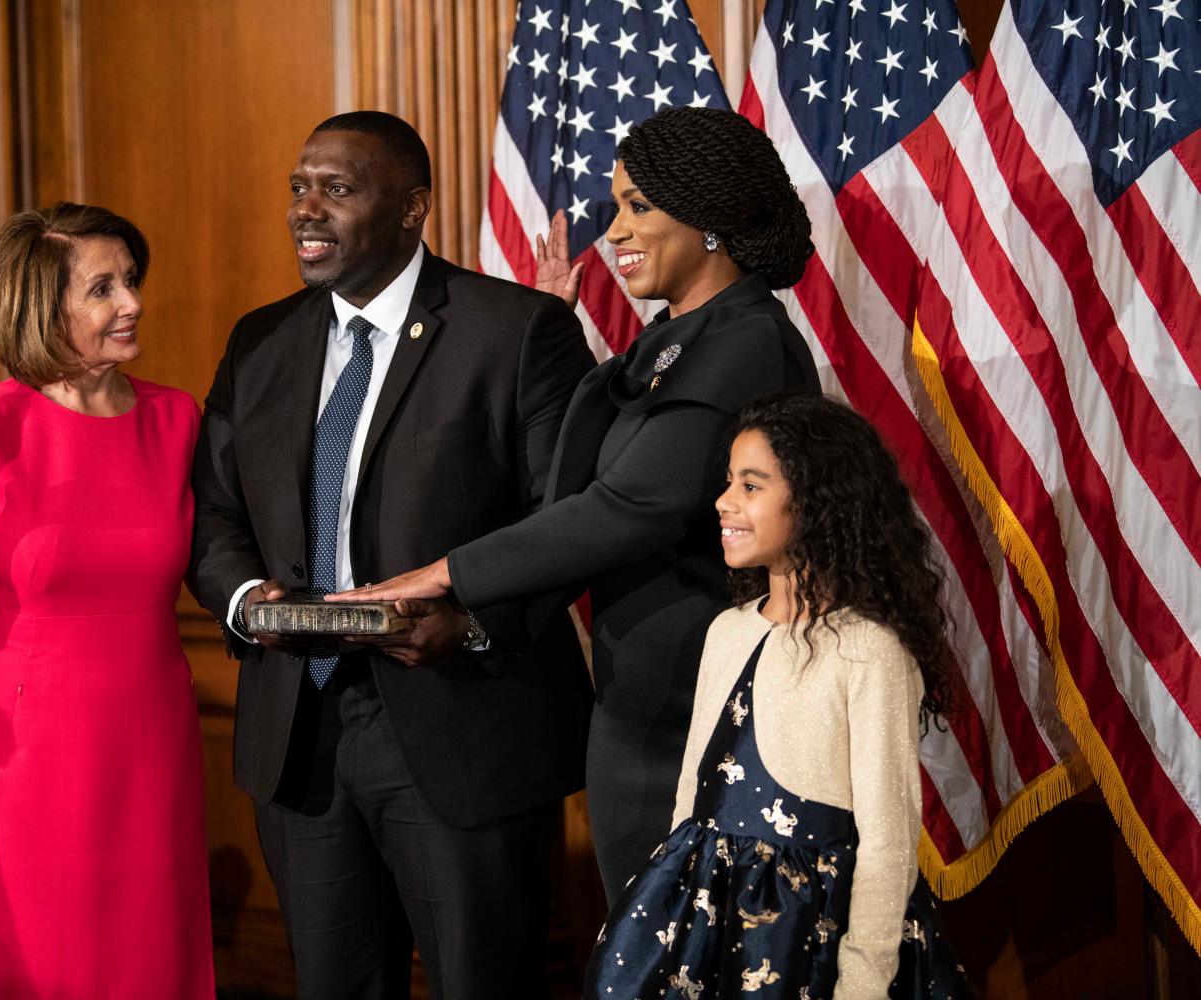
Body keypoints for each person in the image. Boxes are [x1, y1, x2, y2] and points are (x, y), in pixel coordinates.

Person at [333, 107, 821, 898]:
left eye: (639, 207)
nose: (615, 230)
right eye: (615, 205)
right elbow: (579, 472)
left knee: (684, 954)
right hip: (644, 697)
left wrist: (447, 573)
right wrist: (550, 330)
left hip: (702, 707)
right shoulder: (674, 343)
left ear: (706, 220)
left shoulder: (747, 340)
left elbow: (630, 506)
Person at [186, 111, 594, 999]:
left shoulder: (515, 329)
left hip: (462, 727)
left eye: (338, 188)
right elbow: (214, 515)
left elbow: (565, 522)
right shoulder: (259, 343)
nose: (307, 209)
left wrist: (473, 620)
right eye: (299, 187)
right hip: (301, 733)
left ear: (412, 210)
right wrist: (249, 598)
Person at [0, 204, 214, 997]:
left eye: (131, 280)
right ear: (44, 310)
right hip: (25, 748)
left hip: (149, 740)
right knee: (36, 958)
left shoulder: (178, 419)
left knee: (145, 957)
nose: (132, 303)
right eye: (103, 288)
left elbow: (229, 560)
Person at [586, 393, 967, 1000]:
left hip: (804, 936)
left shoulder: (869, 650)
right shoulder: (728, 630)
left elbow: (888, 839)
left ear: (817, 503)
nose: (724, 501)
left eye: (752, 486)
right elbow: (691, 797)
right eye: (728, 482)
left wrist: (863, 980)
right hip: (703, 918)